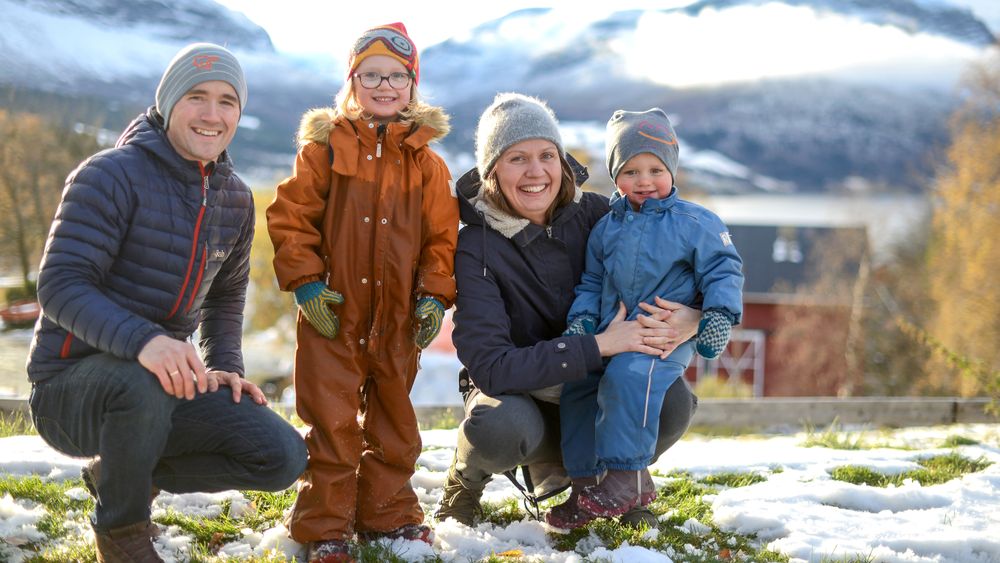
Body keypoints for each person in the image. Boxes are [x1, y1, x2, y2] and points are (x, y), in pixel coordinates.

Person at [26, 43, 308, 563]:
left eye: (227, 101)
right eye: (197, 97)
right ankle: (123, 534)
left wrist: (225, 367)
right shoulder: (109, 175)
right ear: (168, 103)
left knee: (282, 455)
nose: (212, 114)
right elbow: (60, 285)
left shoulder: (236, 199)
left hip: (158, 386)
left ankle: (119, 475)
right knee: (141, 381)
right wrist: (147, 341)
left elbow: (226, 298)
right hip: (69, 391)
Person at [434, 93, 702, 531]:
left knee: (672, 402)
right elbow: (491, 367)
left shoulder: (600, 214)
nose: (536, 171)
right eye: (517, 158)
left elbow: (691, 258)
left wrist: (693, 315)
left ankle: (618, 477)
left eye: (546, 155)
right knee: (497, 427)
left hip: (599, 393)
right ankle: (466, 479)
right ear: (492, 171)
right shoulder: (474, 248)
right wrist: (598, 344)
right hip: (523, 398)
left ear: (562, 160)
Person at [266, 23, 458, 562]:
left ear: (413, 85)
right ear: (352, 81)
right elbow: (291, 219)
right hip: (334, 311)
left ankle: (387, 513)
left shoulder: (426, 162)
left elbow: (442, 238)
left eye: (397, 75)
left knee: (395, 420)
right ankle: (324, 525)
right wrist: (305, 283)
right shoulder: (324, 150)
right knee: (330, 419)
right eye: (371, 74)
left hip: (399, 316)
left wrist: (433, 296)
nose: (385, 85)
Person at [554, 108, 744, 527]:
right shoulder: (606, 229)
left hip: (662, 338)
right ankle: (586, 488)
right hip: (613, 334)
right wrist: (583, 322)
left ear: (672, 169)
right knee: (579, 389)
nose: (644, 181)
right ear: (615, 176)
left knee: (629, 377)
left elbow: (724, 269)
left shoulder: (696, 222)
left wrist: (717, 316)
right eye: (631, 171)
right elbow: (591, 281)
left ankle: (628, 478)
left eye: (655, 169)